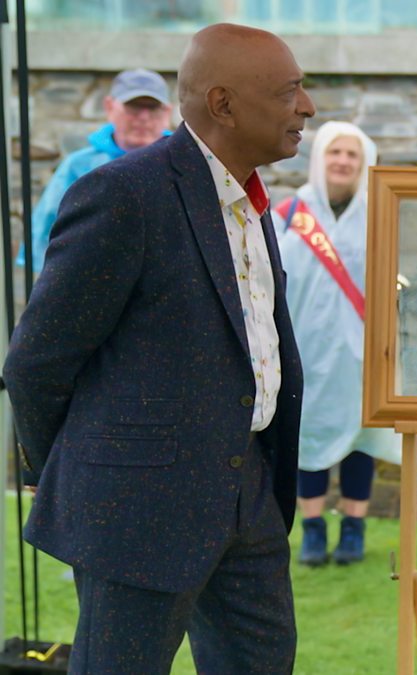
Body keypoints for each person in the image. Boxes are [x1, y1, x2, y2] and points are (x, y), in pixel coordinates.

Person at [3, 23, 314, 674]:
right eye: (289, 92)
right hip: (137, 513)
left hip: (250, 497)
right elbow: (36, 361)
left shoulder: (252, 204)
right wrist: (77, 471)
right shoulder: (125, 195)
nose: (306, 108)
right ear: (223, 103)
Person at [274, 121, 400, 567]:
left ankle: (353, 525)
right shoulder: (288, 216)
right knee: (308, 436)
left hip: (365, 354)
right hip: (305, 351)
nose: (343, 161)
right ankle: (312, 527)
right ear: (319, 157)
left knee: (360, 437)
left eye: (352, 154)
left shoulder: (381, 216)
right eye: (335, 152)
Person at [24, 68, 173, 273]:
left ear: (168, 112)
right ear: (109, 107)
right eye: (133, 107)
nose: (144, 117)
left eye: (153, 108)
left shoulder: (183, 165)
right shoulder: (78, 166)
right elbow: (46, 227)